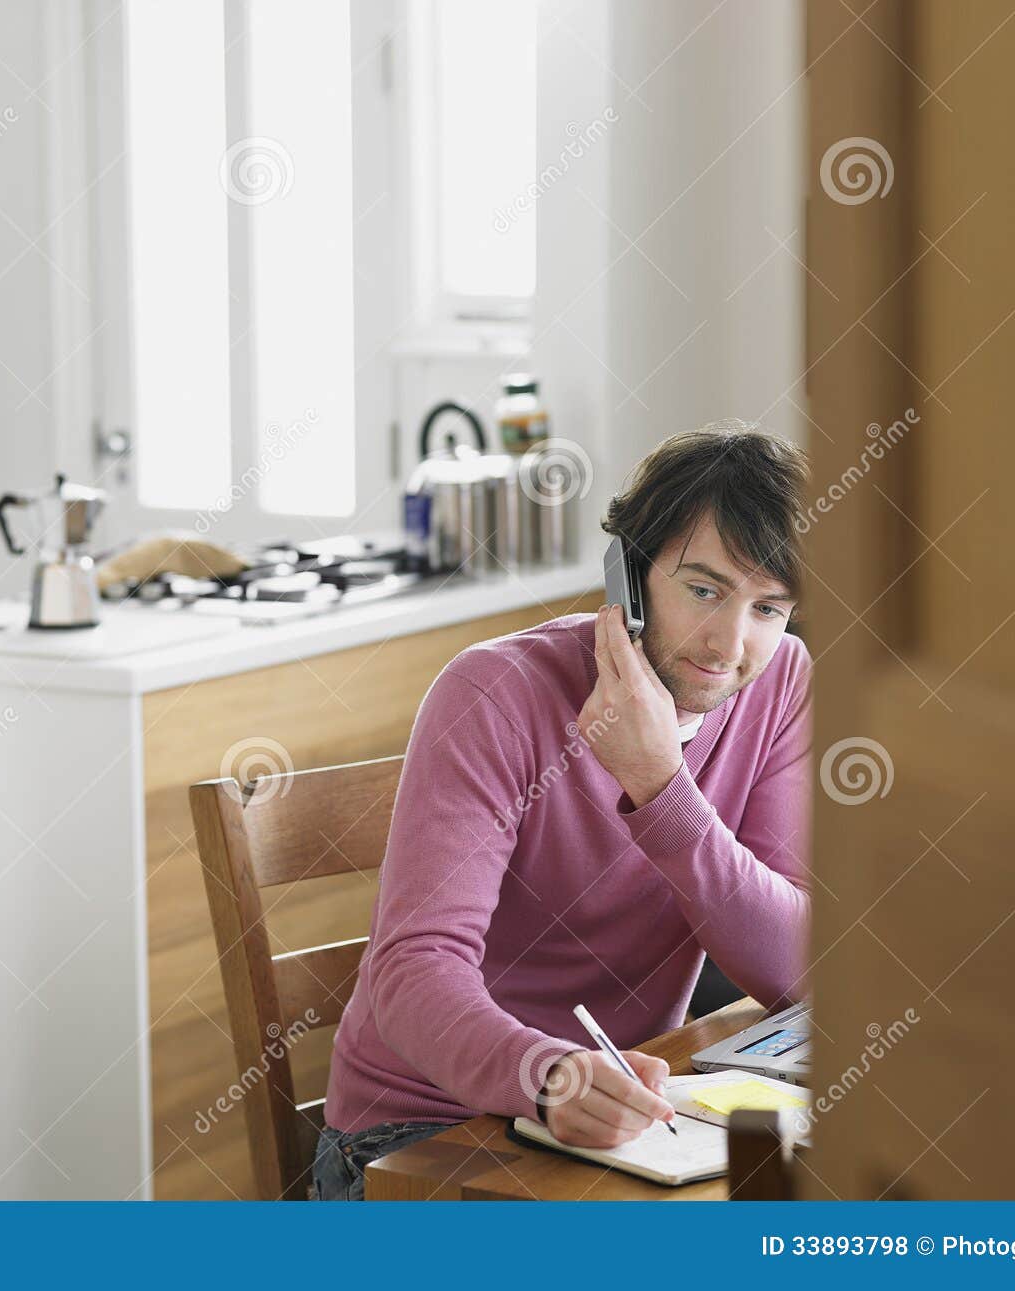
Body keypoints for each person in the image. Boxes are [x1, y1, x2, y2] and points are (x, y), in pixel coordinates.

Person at [311, 421, 814, 1200]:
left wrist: (660, 787)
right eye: (704, 589)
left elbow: (798, 969)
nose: (729, 643)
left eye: (769, 609)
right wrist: (547, 1076)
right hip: (418, 1133)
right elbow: (412, 973)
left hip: (629, 1114)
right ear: (630, 577)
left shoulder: (780, 682)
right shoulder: (491, 695)